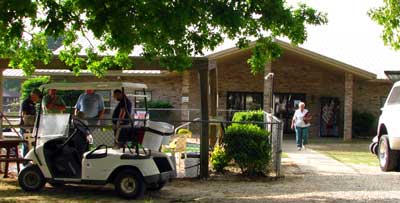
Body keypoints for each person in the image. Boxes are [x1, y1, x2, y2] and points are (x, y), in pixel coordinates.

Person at [19, 89, 42, 156]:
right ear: (32, 95)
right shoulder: (26, 102)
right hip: (26, 126)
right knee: (26, 144)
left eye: (36, 97)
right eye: (35, 97)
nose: (36, 99)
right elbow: (24, 114)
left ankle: (30, 159)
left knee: (31, 143)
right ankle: (25, 161)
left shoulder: (33, 103)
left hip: (32, 126)